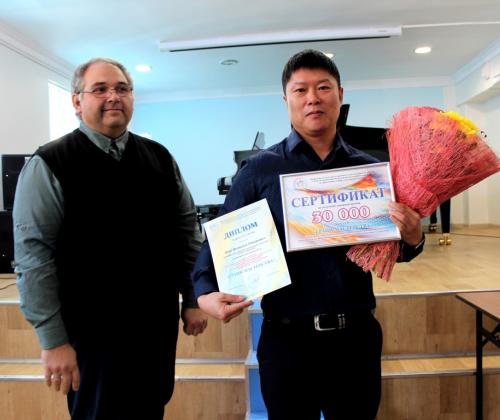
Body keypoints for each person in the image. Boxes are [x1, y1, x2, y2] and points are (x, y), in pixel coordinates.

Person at [192, 49, 425, 420]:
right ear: (286, 99)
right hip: (286, 341)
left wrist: (412, 237)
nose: (312, 98)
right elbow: (220, 239)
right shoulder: (258, 170)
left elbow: (393, 249)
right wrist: (204, 292)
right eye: (300, 90)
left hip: (355, 340)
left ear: (340, 94)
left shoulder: (371, 170)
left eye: (323, 87)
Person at [13, 58, 208, 420]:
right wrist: (53, 340)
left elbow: (185, 231)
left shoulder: (160, 158)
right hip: (90, 333)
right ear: (77, 101)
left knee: (151, 408)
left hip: (153, 327)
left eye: (122, 88)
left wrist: (194, 296)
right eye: (100, 89)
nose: (113, 96)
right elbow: (33, 258)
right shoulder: (50, 163)